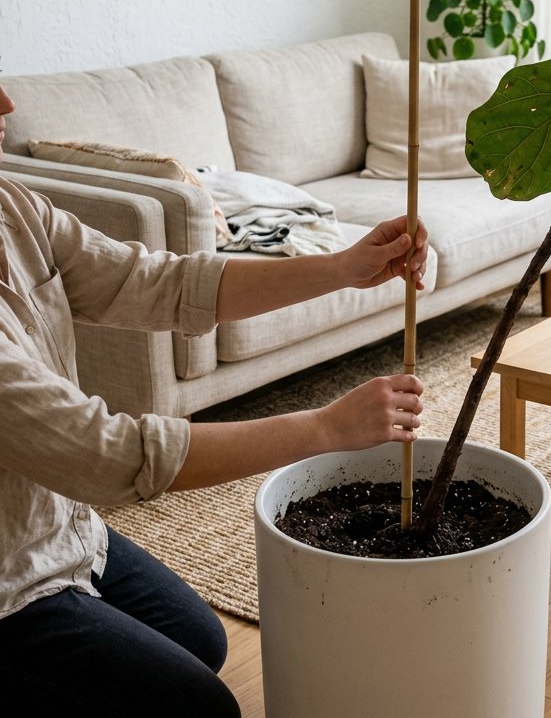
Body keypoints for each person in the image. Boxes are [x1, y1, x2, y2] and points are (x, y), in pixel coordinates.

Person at [0, 83, 428, 716]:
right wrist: (325, 428)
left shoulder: (13, 207)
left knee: (198, 639)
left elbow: (159, 282)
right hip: (8, 582)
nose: (7, 106)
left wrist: (341, 268)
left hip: (59, 527)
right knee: (202, 707)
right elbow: (108, 455)